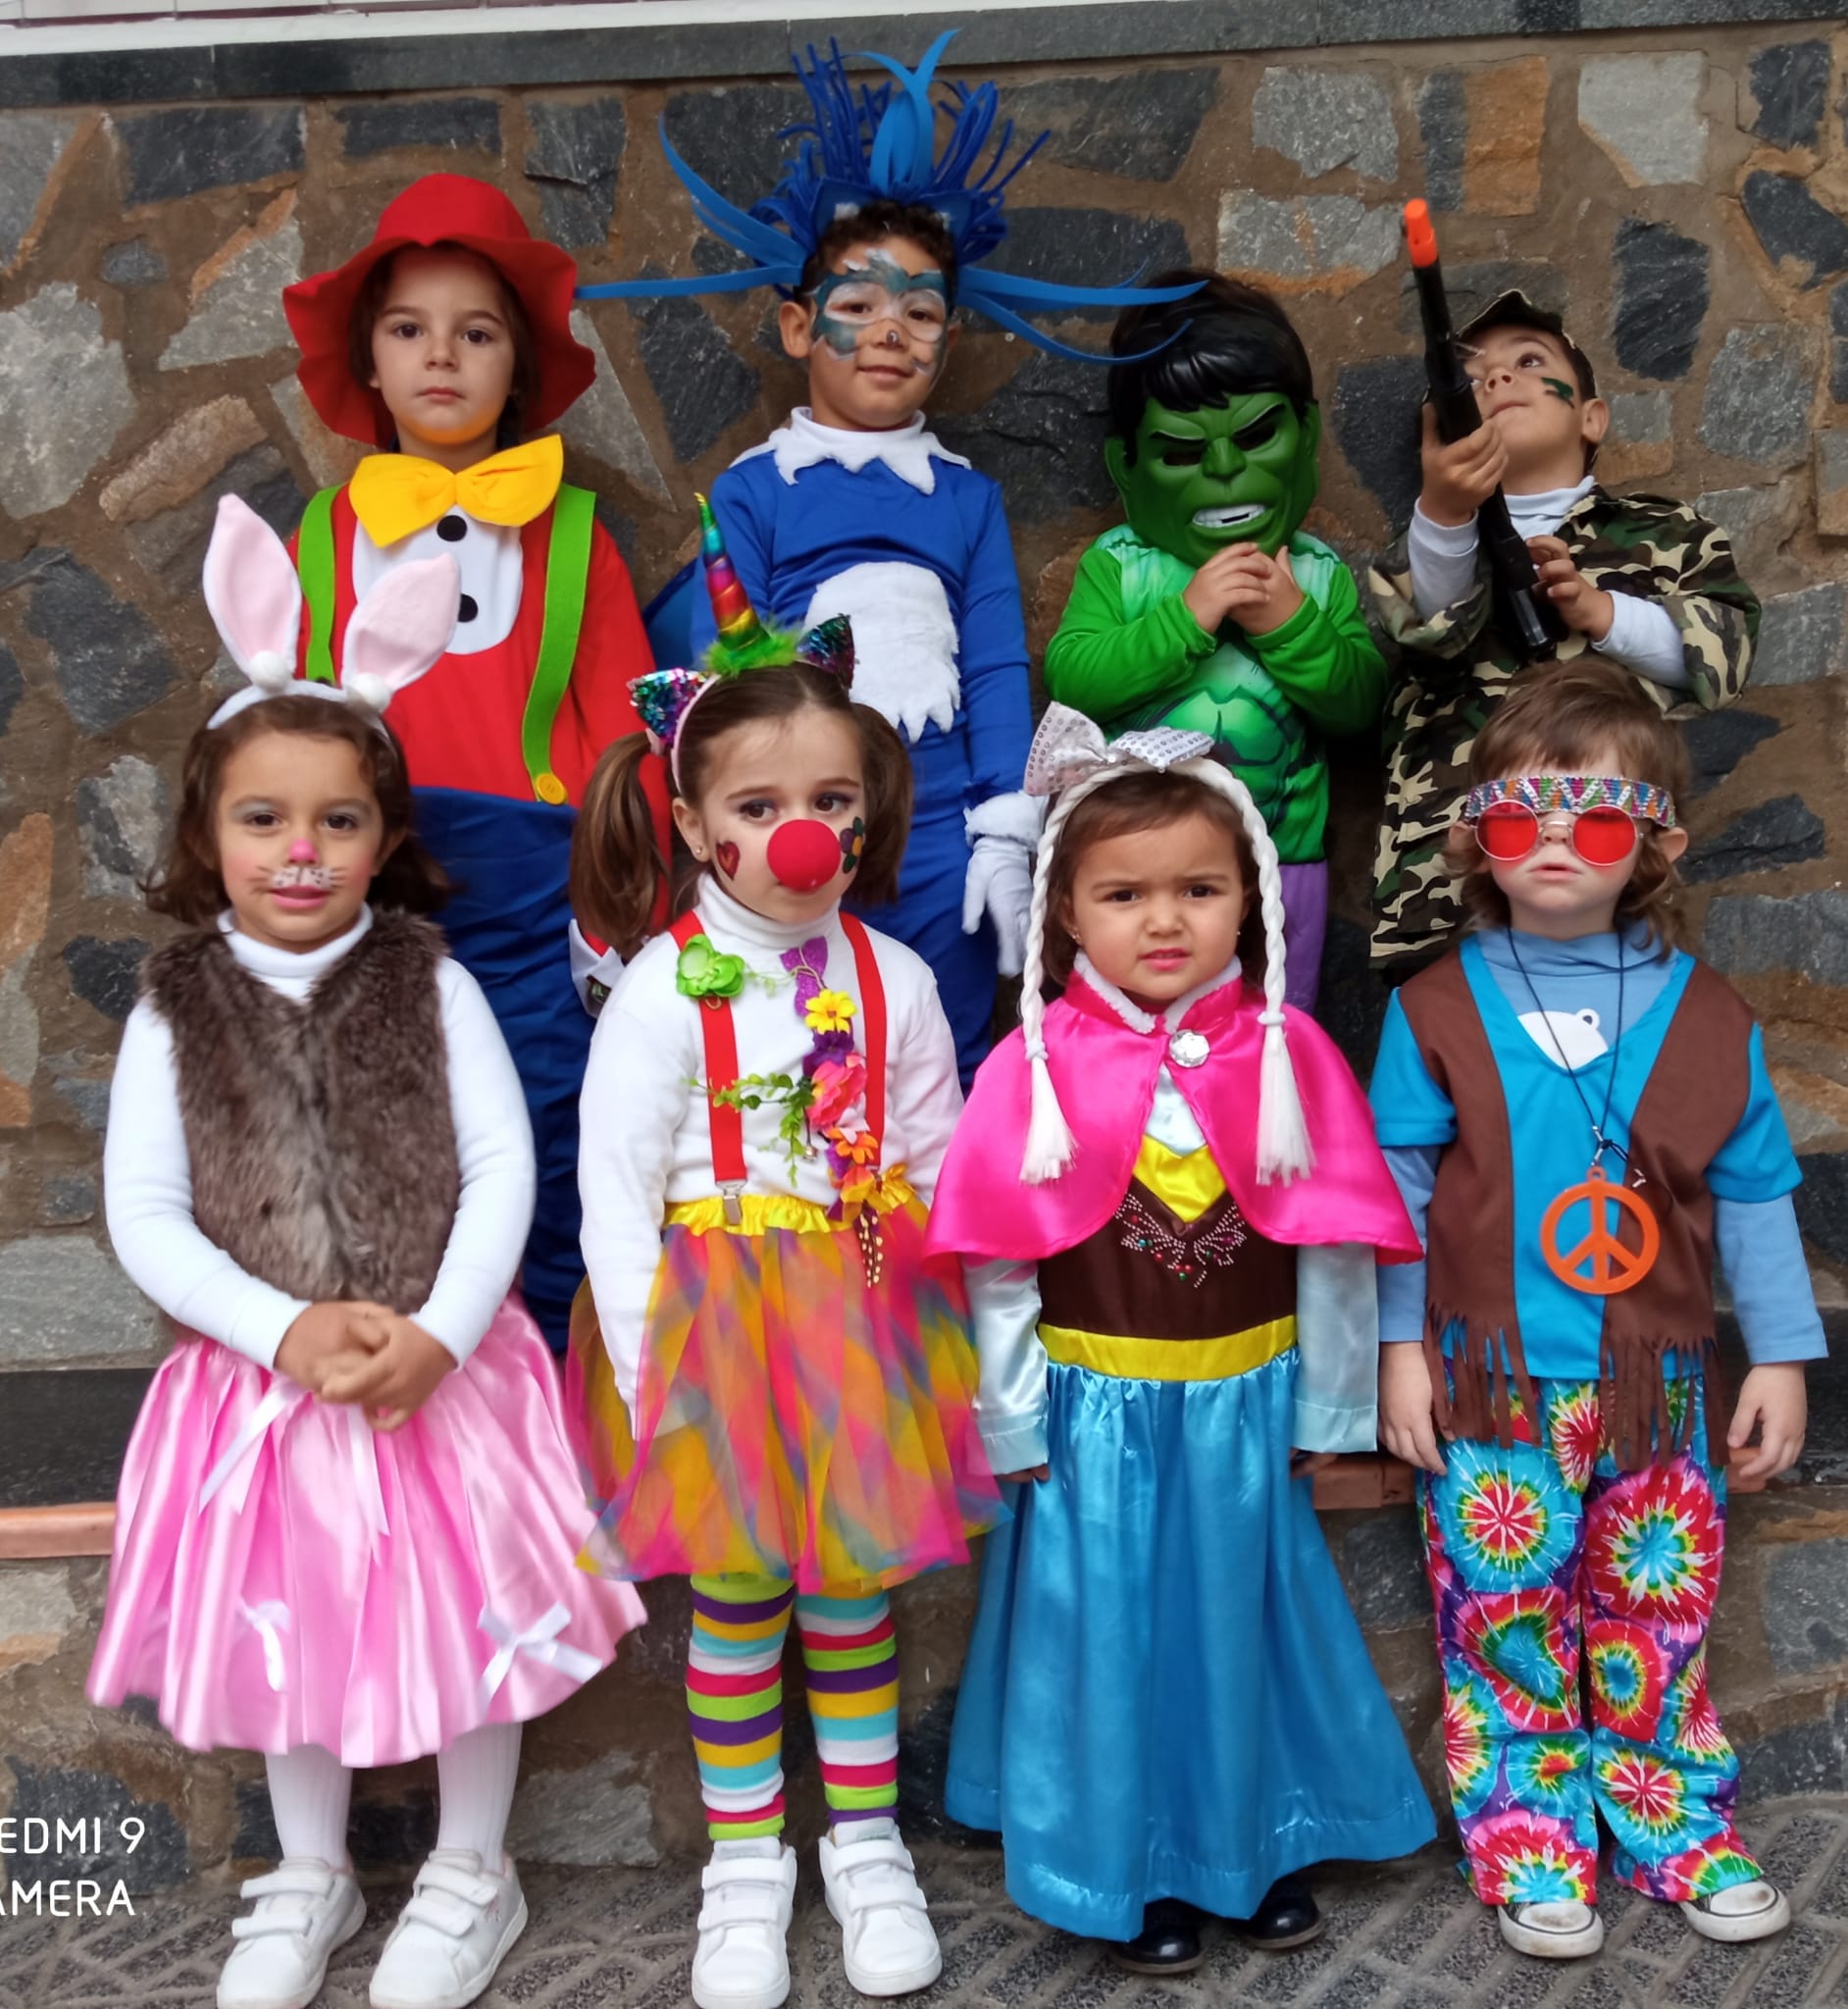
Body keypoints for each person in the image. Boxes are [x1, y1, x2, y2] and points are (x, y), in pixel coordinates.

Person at [88, 496, 643, 2009]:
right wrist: (279, 1332)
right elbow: (141, 1211)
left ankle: (476, 1864)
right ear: (209, 833)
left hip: (438, 1377)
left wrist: (442, 1333)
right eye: (263, 818)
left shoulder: (432, 982)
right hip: (266, 1391)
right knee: (295, 1621)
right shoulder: (172, 1007)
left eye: (339, 819)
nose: (301, 850)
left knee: (470, 1614)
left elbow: (501, 1170)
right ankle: (311, 1868)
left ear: (387, 836)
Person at [566, 541, 1008, 2009]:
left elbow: (938, 1153)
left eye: (830, 802)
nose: (801, 835)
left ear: (870, 813)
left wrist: (944, 1329)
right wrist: (651, 1378)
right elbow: (617, 1197)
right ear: (694, 825)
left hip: (866, 1319)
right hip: (714, 1335)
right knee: (743, 1595)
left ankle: (866, 1845)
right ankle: (746, 1859)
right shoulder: (658, 988)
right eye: (760, 807)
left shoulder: (899, 977)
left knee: (853, 1593)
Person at [926, 703, 1435, 1973]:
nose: (1164, 921)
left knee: (1240, 1634)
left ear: (1247, 897)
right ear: (1066, 915)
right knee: (1110, 1645)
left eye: (1199, 889)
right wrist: (1013, 1417)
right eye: (1125, 894)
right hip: (1097, 1420)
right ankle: (1126, 1868)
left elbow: (1328, 1248)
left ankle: (1249, 1850)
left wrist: (1326, 1413)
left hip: (1240, 1417)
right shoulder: (1031, 1067)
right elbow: (999, 1266)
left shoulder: (1288, 1052)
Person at [582, 34, 1198, 1081]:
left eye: (918, 310)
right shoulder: (754, 490)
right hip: (803, 821)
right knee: (800, 1041)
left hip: (946, 827)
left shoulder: (966, 499)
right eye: (856, 305)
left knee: (944, 1048)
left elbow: (1000, 664)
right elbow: (728, 676)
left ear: (948, 339)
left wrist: (1005, 831)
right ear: (795, 325)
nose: (888, 331)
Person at [1370, 660, 1821, 1959]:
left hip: (1660, 1394)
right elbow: (1397, 1198)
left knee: (1658, 1622)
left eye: (1599, 818)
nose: (1557, 843)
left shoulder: (1714, 1018)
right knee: (1504, 1626)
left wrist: (1781, 1356)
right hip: (1487, 1392)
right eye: (1522, 816)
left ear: (1656, 845)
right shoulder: (1435, 1012)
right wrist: (1398, 1348)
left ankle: (1673, 1819)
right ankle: (1528, 1835)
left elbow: (1753, 1197)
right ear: (1479, 839)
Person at [281, 171, 672, 1347]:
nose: (439, 356)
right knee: (388, 1145)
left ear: (520, 364)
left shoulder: (576, 534)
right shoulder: (321, 536)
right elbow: (297, 727)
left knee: (555, 1140)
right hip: (379, 890)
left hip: (542, 896)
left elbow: (626, 734)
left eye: (476, 331)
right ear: (369, 357)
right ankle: (416, 1433)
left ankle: (557, 1415)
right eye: (408, 328)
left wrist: (633, 902)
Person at [1370, 291, 1759, 976]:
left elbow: (1721, 656)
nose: (1496, 379)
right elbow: (1425, 633)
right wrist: (1444, 512)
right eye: (1473, 377)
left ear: (1591, 418)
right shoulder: (1432, 539)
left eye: (1527, 361)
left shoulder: (1666, 534)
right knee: (1452, 1053)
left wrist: (1602, 614)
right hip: (1451, 883)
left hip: (1610, 873)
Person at [1044, 275, 1390, 1010]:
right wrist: (1186, 617)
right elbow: (1074, 677)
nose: (1227, 471)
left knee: (1277, 1049)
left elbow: (1359, 705)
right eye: (1182, 450)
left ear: (1306, 434)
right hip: (1133, 871)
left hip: (1281, 868)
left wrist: (1290, 622)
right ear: (1126, 464)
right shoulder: (1122, 564)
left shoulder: (1317, 574)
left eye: (1258, 435)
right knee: (1126, 1041)